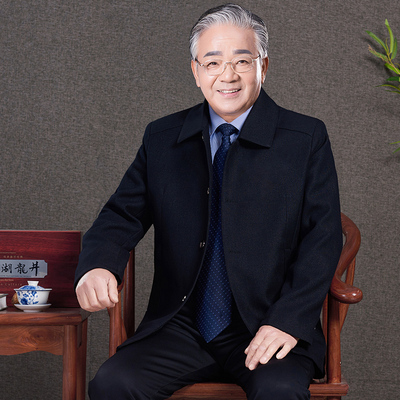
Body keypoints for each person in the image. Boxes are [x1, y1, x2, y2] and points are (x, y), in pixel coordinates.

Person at [74, 4, 342, 400]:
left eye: (242, 61)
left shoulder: (305, 138)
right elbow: (121, 214)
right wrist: (97, 265)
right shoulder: (162, 137)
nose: (227, 76)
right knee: (113, 384)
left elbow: (324, 237)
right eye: (213, 62)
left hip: (267, 323)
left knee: (280, 391)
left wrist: (288, 320)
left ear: (263, 66)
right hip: (181, 325)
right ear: (196, 71)